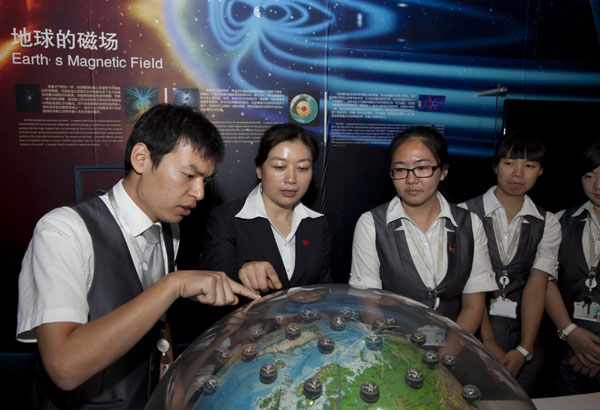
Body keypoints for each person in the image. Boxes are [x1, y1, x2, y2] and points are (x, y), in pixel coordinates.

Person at [16, 104, 259, 410]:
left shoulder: (170, 230)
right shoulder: (63, 231)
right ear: (141, 158)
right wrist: (172, 285)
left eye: (205, 181)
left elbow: (159, 325)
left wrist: (173, 391)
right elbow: (64, 368)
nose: (198, 193)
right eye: (189, 175)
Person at [349, 126, 497, 335]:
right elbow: (369, 306)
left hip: (453, 349)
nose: (411, 179)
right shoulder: (371, 224)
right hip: (394, 349)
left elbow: (473, 306)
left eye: (422, 168)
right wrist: (405, 357)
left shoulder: (470, 224)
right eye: (400, 169)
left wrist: (446, 357)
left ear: (443, 171)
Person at [463, 131, 560, 397]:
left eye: (529, 166)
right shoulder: (463, 213)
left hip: (525, 336)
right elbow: (470, 282)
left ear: (540, 171)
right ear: (495, 166)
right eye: (509, 163)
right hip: (473, 334)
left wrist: (524, 349)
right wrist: (489, 342)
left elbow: (538, 284)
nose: (518, 173)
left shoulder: (547, 221)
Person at [203, 123, 331, 294]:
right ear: (259, 170)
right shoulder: (226, 219)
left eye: (302, 168)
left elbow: (324, 291)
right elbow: (214, 284)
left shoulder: (318, 224)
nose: (291, 179)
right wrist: (243, 271)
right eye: (279, 167)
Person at [545, 140, 600, 394]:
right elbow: (545, 281)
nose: (597, 186)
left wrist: (594, 354)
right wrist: (571, 333)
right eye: (589, 176)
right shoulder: (560, 220)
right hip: (565, 350)